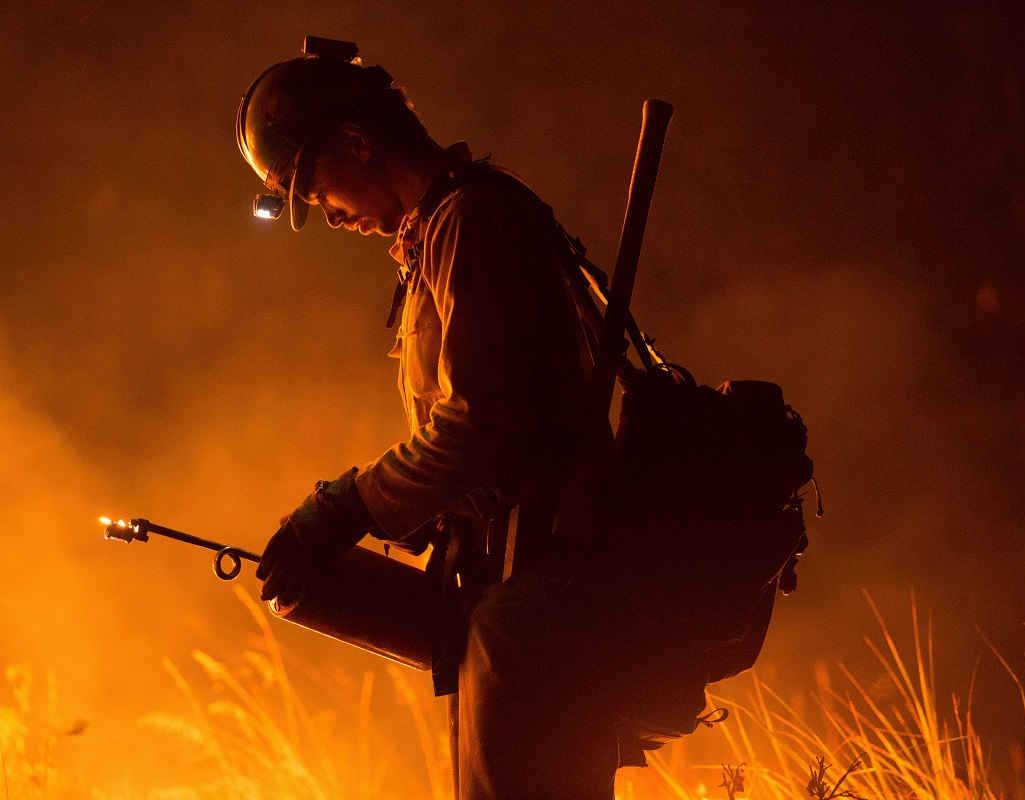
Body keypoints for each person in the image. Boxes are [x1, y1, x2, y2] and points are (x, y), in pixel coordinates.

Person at [238, 37, 710, 800]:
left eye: (313, 189)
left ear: (356, 144)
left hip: (538, 609)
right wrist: (423, 513)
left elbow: (479, 426)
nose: (326, 216)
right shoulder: (441, 238)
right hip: (508, 607)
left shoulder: (474, 225)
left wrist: (349, 506)